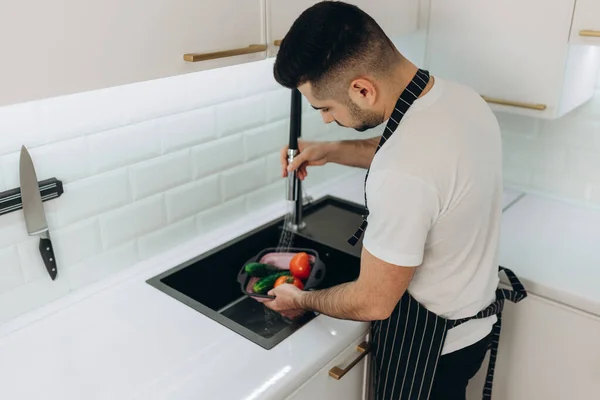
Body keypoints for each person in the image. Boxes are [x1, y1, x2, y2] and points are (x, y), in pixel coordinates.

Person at [263, 2, 527, 400]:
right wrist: (330, 150)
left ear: (362, 89)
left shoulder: (402, 171)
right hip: (472, 327)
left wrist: (300, 298)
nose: (326, 120)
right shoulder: (459, 99)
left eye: (326, 109)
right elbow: (415, 154)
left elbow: (374, 302)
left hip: (431, 353)